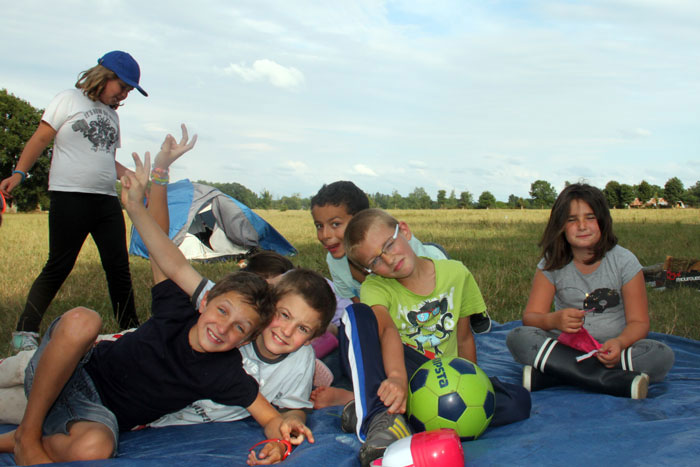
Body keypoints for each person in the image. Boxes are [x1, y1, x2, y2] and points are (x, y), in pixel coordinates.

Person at [0, 151, 312, 465]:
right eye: (222, 312)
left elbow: (270, 418)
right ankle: (28, 435)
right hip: (74, 371)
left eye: (240, 328)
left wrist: (279, 440)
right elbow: (162, 248)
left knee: (96, 448)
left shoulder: (225, 374)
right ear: (204, 302)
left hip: (94, 416)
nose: (224, 328)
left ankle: (20, 439)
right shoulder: (177, 308)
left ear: (244, 341)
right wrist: (140, 198)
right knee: (83, 319)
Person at [327, 208, 531, 466]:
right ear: (370, 271)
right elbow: (387, 331)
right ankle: (383, 416)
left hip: (445, 380)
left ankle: (381, 415)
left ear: (405, 230)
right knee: (358, 315)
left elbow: (464, 336)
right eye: (375, 262)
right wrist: (398, 379)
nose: (388, 259)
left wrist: (473, 381)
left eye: (389, 245)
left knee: (517, 402)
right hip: (402, 369)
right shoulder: (375, 288)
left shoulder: (456, 273)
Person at [0, 51, 148, 351]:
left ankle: (130, 328)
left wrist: (129, 175)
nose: (124, 94)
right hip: (70, 196)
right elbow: (41, 138)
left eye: (129, 91)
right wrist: (19, 173)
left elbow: (106, 157)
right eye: (122, 86)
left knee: (118, 266)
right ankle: (25, 329)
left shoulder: (112, 115)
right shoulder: (68, 99)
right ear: (104, 76)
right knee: (59, 264)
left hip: (106, 201)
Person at [506, 183, 675, 399]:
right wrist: (554, 320)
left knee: (660, 355)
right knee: (518, 337)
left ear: (603, 221)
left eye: (590, 217)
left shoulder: (624, 261)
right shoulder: (551, 263)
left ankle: (556, 375)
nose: (582, 226)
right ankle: (614, 381)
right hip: (566, 347)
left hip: (614, 351)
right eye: (572, 220)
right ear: (560, 226)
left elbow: (639, 322)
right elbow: (530, 317)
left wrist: (620, 343)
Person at [310, 181, 491, 334]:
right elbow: (359, 303)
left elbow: (429, 296)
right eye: (319, 225)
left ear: (363, 220)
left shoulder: (405, 255)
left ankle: (477, 312)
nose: (325, 235)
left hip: (433, 264)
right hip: (393, 293)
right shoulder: (334, 262)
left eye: (335, 224)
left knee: (458, 291)